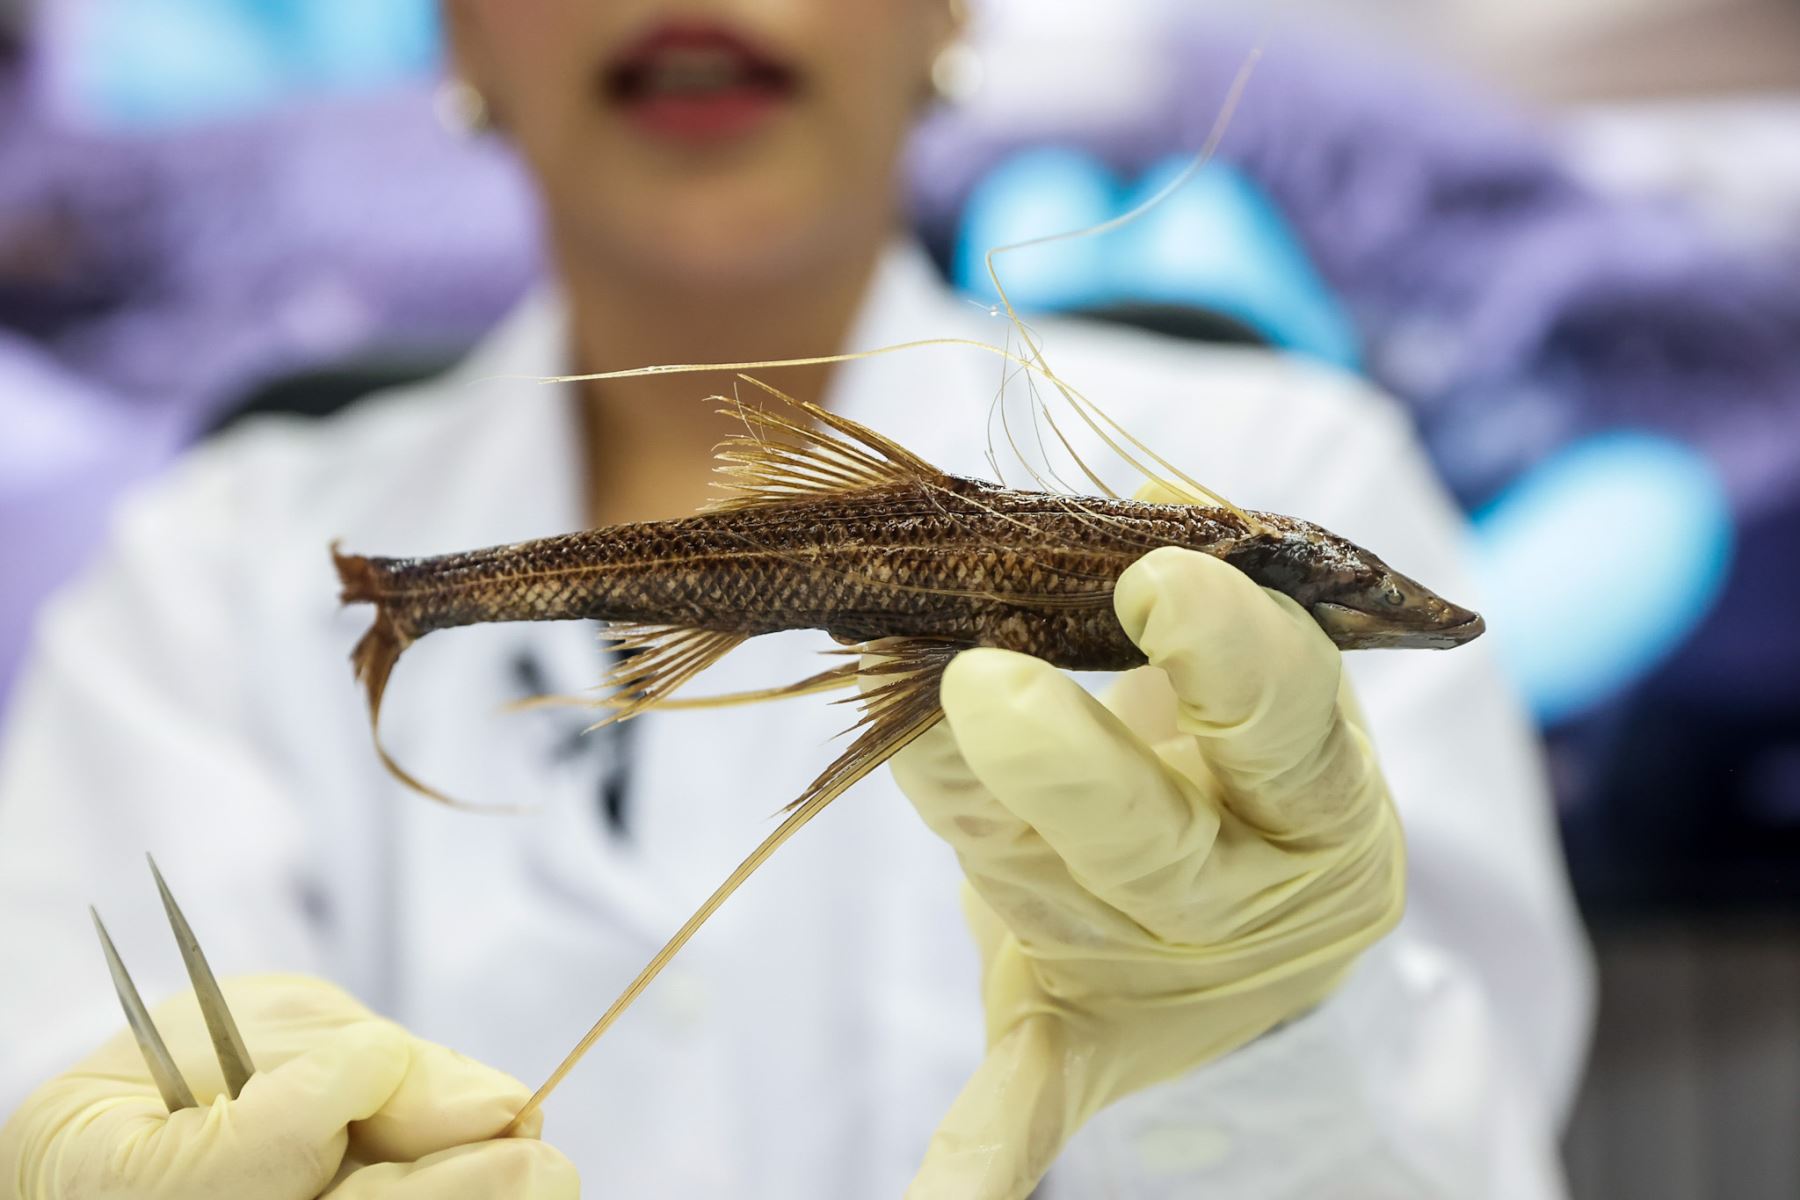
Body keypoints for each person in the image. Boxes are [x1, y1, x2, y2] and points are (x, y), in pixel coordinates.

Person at [0, 1, 1592, 1196]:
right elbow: (71, 1046)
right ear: (458, 27)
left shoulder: (1294, 448)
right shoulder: (212, 571)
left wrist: (1273, 1040)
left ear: (951, 11)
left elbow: (1469, 1144)